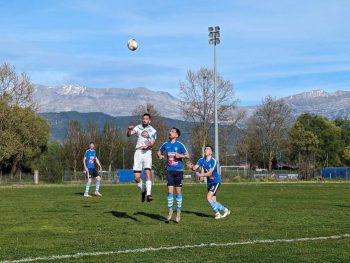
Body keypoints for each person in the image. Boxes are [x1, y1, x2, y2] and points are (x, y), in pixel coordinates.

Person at [188, 145, 230, 219]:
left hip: (216, 181)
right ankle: (226, 210)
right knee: (213, 200)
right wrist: (192, 167)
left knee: (208, 197)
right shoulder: (201, 160)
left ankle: (218, 214)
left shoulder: (213, 161)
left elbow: (210, 173)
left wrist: (201, 175)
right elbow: (195, 168)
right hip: (209, 182)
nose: (205, 150)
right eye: (205, 149)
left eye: (207, 149)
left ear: (211, 152)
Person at [157, 127, 189, 223]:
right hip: (169, 171)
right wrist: (160, 155)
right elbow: (159, 151)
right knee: (170, 191)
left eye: (172, 131)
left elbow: (187, 155)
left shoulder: (180, 145)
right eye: (170, 131)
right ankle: (170, 210)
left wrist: (180, 156)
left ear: (176, 135)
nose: (170, 132)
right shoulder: (165, 144)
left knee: (178, 191)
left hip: (179, 171)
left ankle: (178, 212)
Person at [127, 113, 157, 202]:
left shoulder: (153, 130)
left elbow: (152, 143)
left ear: (149, 121)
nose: (144, 120)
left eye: (146, 119)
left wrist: (148, 146)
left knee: (147, 173)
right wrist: (129, 130)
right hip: (138, 152)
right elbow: (129, 134)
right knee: (136, 177)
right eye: (143, 118)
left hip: (147, 153)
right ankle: (143, 190)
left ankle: (149, 194)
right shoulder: (138, 127)